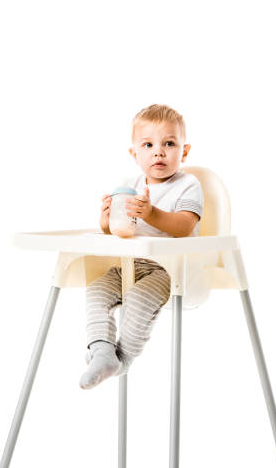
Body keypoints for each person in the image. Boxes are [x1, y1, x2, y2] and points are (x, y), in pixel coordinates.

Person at [80, 104, 204, 389]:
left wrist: (152, 214)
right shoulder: (130, 184)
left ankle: (122, 359)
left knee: (138, 297)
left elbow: (185, 226)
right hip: (129, 264)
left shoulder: (188, 184)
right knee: (96, 290)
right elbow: (117, 229)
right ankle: (101, 350)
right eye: (148, 144)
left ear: (184, 151)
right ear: (135, 153)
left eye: (169, 144)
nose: (158, 152)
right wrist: (106, 217)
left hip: (168, 268)